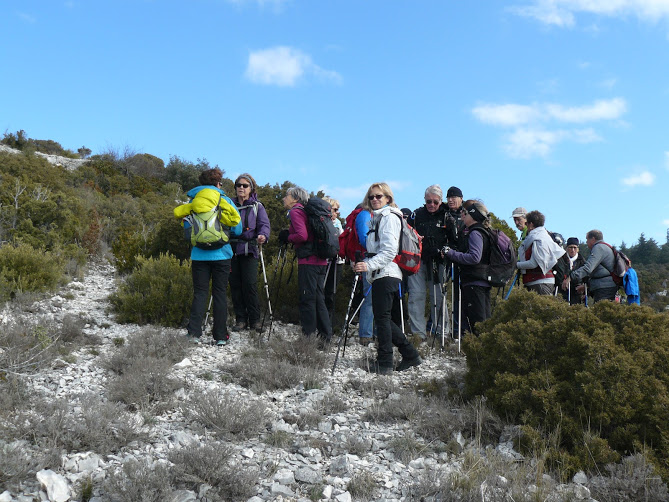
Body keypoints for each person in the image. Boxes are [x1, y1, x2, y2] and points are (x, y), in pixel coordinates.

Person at [354, 183, 421, 374]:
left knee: (382, 319)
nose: (375, 200)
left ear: (388, 199)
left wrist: (368, 265)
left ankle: (385, 363)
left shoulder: (389, 218)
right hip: (383, 274)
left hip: (387, 273)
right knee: (383, 318)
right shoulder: (379, 218)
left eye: (379, 196)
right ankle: (409, 354)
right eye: (372, 197)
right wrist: (365, 263)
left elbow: (390, 250)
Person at [174, 167, 242, 346]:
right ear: (218, 184)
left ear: (201, 184)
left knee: (200, 293)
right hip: (222, 254)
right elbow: (238, 228)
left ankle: (193, 333)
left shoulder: (193, 201)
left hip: (199, 255)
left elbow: (187, 228)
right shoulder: (224, 200)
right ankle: (220, 336)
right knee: (219, 294)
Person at [278, 186, 333, 344]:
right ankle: (325, 337)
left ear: (295, 198)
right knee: (319, 299)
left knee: (307, 299)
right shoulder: (308, 211)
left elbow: (302, 236)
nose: (284, 198)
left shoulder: (296, 211)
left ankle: (308, 338)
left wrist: (288, 237)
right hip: (321, 260)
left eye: (287, 195)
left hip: (308, 261)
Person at [407, 185, 450, 341]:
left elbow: (453, 238)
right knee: (416, 296)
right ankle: (418, 334)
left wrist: (444, 251)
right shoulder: (417, 214)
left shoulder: (446, 216)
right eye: (428, 201)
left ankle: (442, 332)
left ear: (440, 201)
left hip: (438, 261)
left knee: (438, 297)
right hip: (418, 260)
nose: (431, 205)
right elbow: (407, 234)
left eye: (435, 202)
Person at [443, 200, 492, 335]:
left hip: (474, 281)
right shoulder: (482, 231)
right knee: (483, 320)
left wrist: (451, 253)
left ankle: (480, 351)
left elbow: (474, 257)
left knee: (477, 322)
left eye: (465, 213)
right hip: (481, 280)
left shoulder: (475, 232)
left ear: (473, 215)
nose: (462, 215)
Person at [229, 173, 271, 331]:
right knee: (235, 285)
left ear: (251, 188)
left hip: (250, 250)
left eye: (245, 186)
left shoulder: (257, 206)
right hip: (231, 250)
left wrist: (263, 236)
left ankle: (255, 320)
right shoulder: (229, 204)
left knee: (250, 285)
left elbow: (264, 224)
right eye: (238, 185)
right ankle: (241, 319)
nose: (241, 188)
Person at [516, 211, 566, 295]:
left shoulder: (538, 239)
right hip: (536, 282)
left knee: (541, 308)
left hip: (540, 282)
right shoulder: (541, 236)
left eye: (527, 223)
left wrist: (516, 265)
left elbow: (534, 263)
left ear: (531, 224)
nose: (526, 225)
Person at [563, 230, 618, 303]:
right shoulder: (606, 247)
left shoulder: (599, 248)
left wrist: (571, 277)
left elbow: (588, 268)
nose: (586, 242)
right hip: (608, 286)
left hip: (604, 288)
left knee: (601, 311)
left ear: (593, 239)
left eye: (587, 239)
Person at [355, 203, 375, 345]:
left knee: (375, 299)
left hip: (377, 259)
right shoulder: (364, 214)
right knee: (369, 298)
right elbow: (364, 239)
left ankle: (372, 333)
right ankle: (366, 335)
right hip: (369, 259)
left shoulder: (373, 215)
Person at [323, 197, 344, 324]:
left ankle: (328, 322)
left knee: (331, 293)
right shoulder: (321, 222)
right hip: (324, 261)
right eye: (334, 209)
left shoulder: (338, 224)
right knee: (321, 292)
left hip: (337, 262)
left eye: (337, 210)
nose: (336, 213)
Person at [561, 237, 586, 305]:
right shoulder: (561, 260)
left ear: (577, 249)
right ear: (567, 248)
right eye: (570, 247)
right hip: (562, 292)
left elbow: (586, 277)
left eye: (575, 247)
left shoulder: (582, 262)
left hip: (576, 293)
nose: (572, 250)